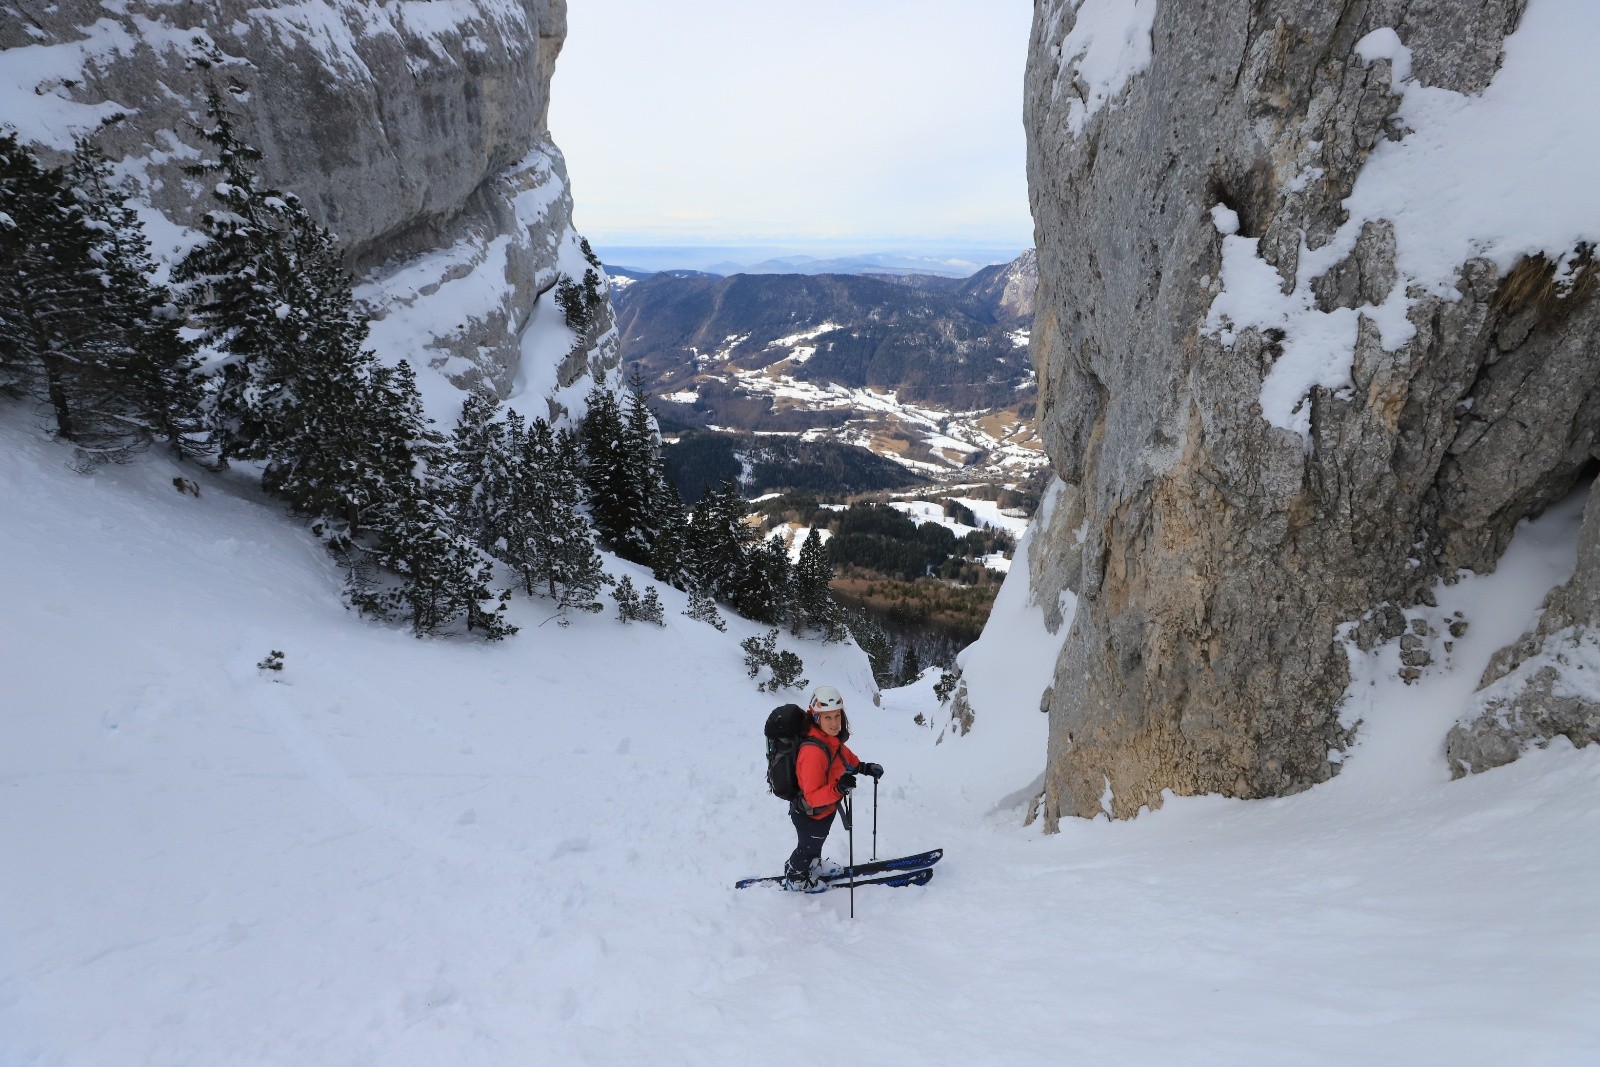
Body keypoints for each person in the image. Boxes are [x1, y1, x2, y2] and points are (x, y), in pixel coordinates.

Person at [785, 685, 884, 891]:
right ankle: (795, 879)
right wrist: (838, 788)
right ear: (816, 718)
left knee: (816, 844)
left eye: (837, 715)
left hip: (825, 810)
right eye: (827, 717)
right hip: (810, 815)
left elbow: (844, 756)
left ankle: (813, 864)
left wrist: (863, 767)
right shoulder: (813, 752)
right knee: (806, 848)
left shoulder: (829, 740)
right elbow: (812, 797)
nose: (834, 722)